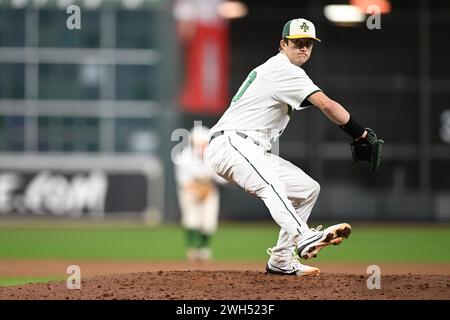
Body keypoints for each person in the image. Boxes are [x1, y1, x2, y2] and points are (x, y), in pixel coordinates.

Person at [205, 18, 380, 276]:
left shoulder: (284, 71)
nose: (304, 48)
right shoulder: (283, 70)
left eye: (308, 43)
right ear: (283, 44)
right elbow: (327, 105)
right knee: (271, 184)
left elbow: (323, 105)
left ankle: (281, 260)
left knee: (308, 189)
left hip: (248, 148)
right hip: (232, 143)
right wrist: (359, 133)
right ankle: (304, 236)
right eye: (297, 43)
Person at [174, 125, 226, 261]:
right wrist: (197, 190)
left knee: (209, 223)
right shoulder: (185, 155)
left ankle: (204, 249)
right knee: (191, 220)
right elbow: (183, 180)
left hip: (209, 190)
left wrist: (208, 187)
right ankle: (191, 250)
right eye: (199, 143)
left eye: (204, 143)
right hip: (190, 190)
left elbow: (222, 179)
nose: (202, 146)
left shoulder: (214, 155)